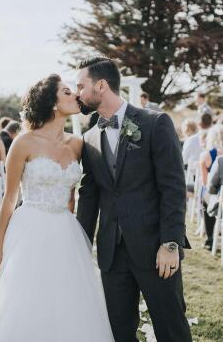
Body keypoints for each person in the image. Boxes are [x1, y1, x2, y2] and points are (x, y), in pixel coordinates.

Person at [0, 75, 114, 341]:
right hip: (29, 228)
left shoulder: (78, 144)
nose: (76, 95)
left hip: (65, 232)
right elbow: (9, 199)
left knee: (66, 299)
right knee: (22, 298)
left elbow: (72, 195)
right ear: (51, 102)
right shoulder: (24, 143)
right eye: (67, 92)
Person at [76, 57, 192, 342]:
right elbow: (89, 196)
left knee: (171, 328)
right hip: (111, 255)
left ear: (101, 86)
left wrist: (170, 243)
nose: (77, 92)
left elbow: (174, 188)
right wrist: (78, 244)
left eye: (81, 86)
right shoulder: (89, 138)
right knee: (118, 332)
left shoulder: (155, 123)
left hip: (156, 249)